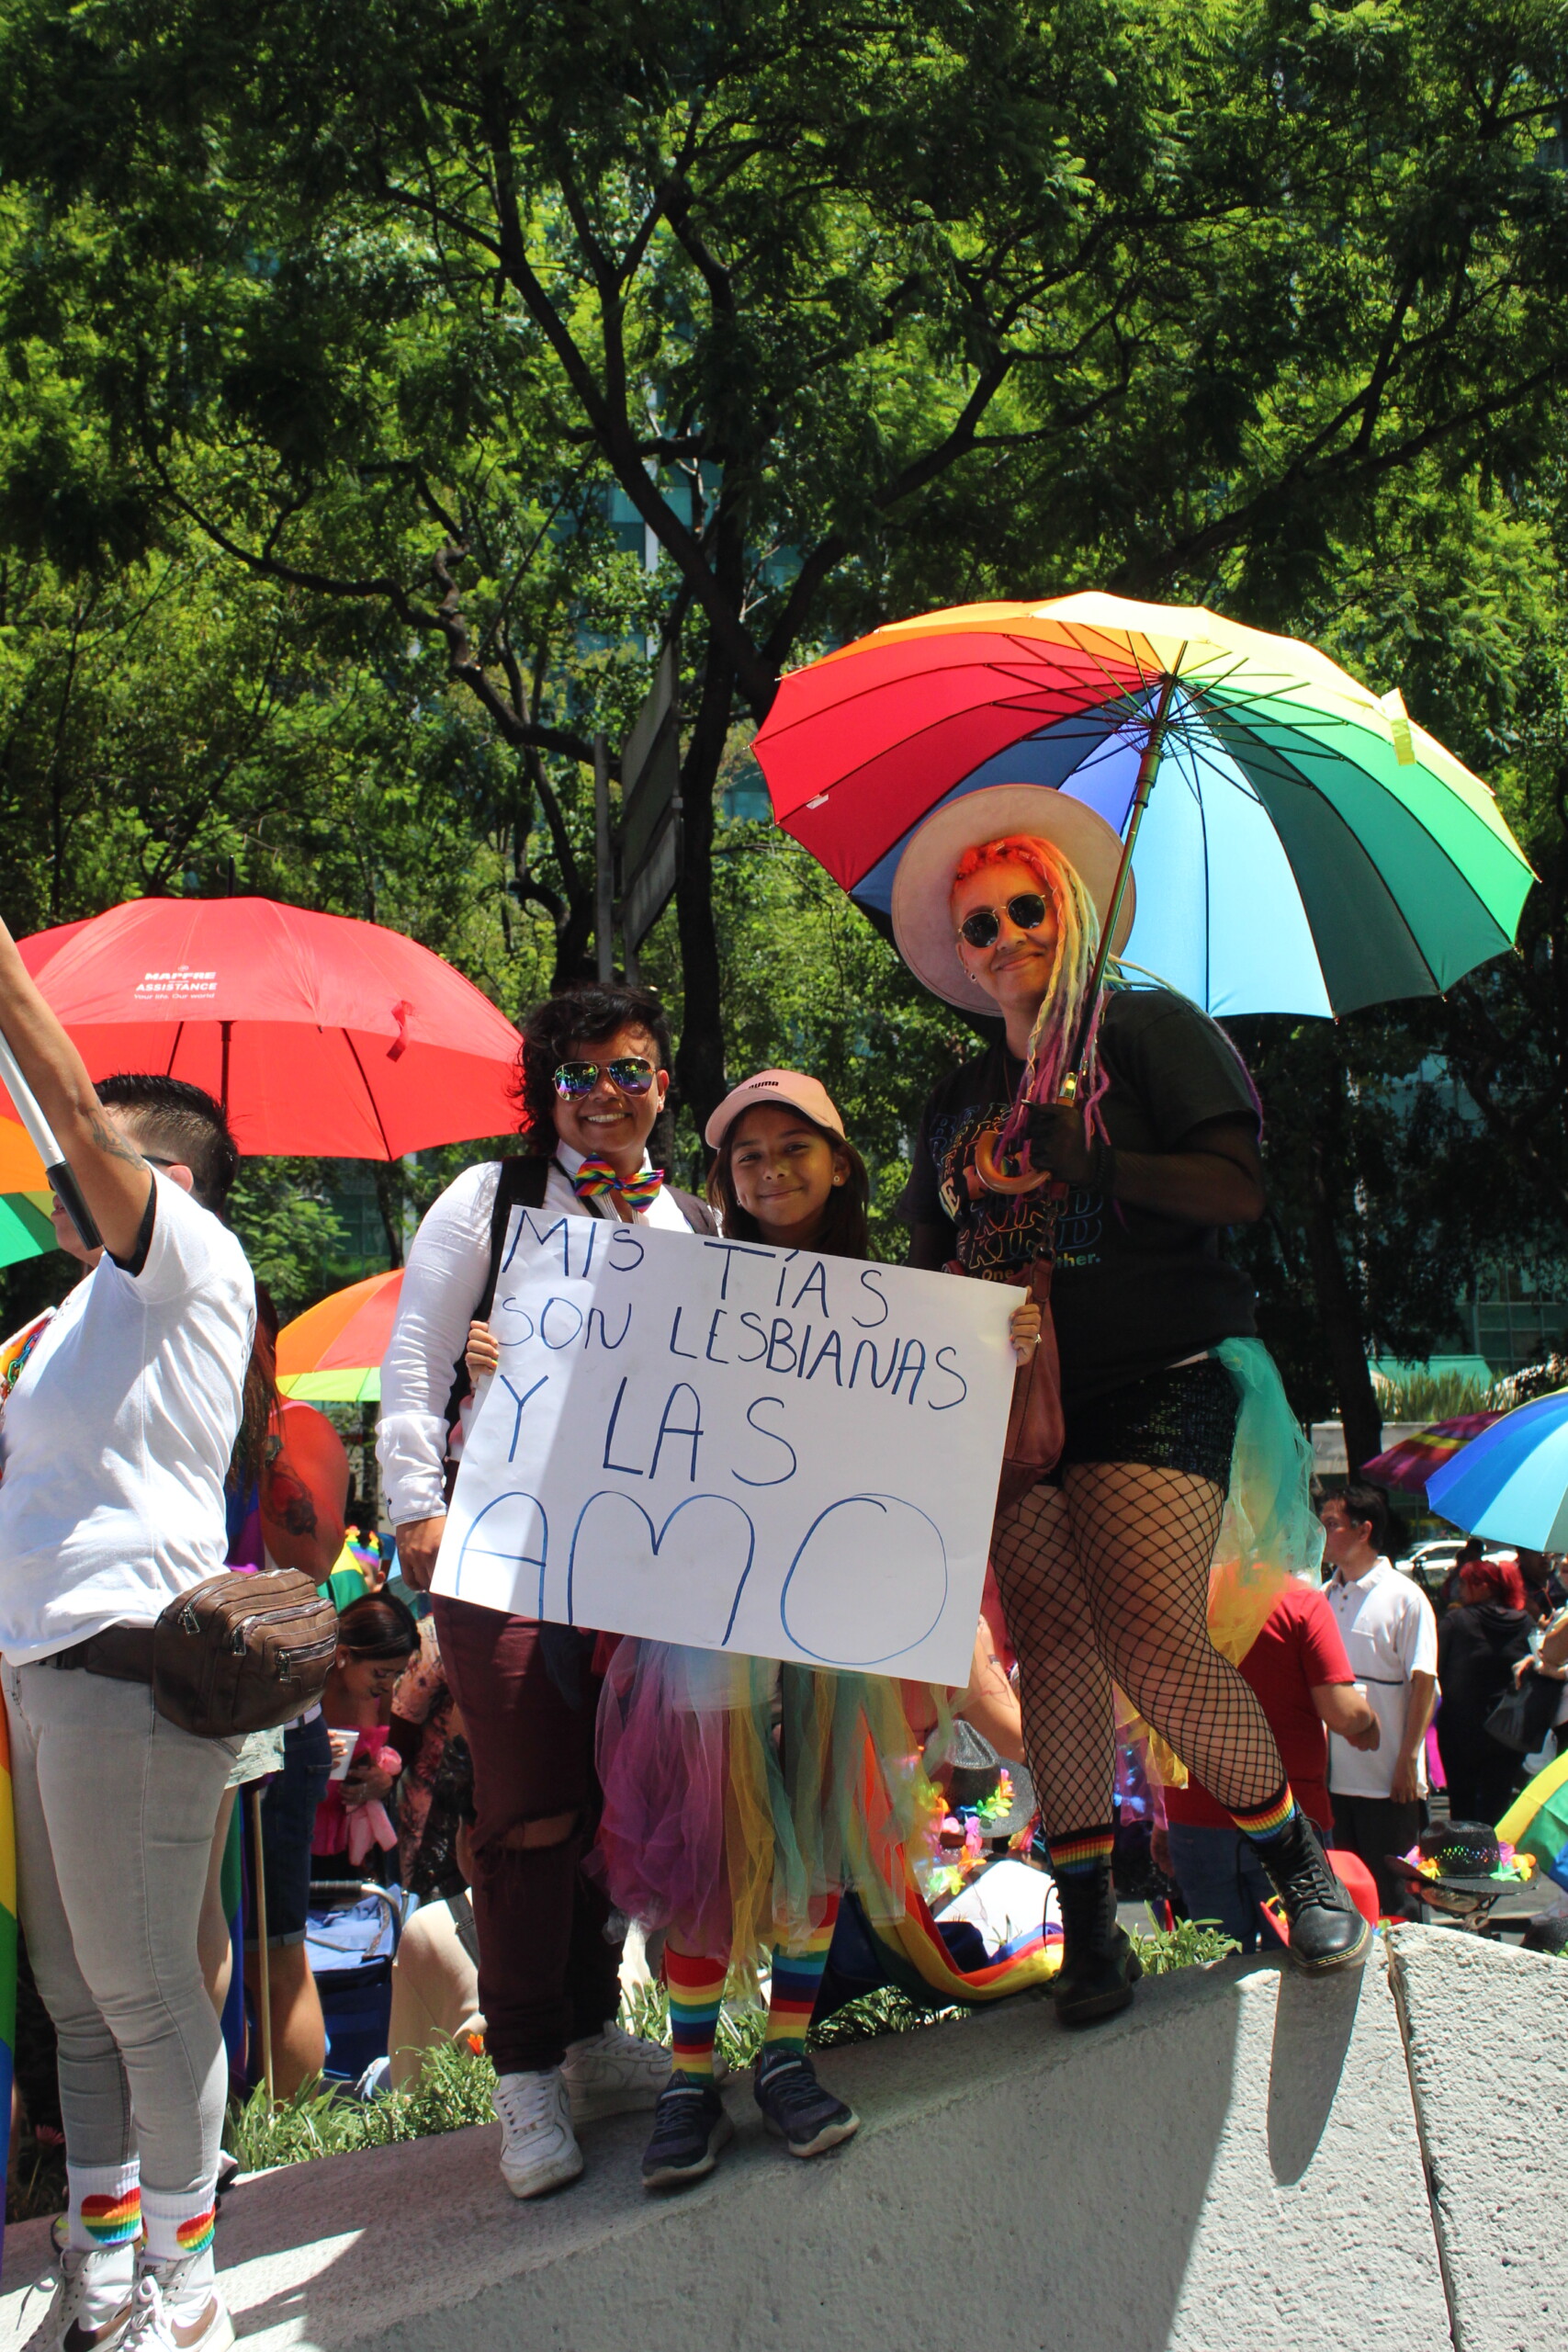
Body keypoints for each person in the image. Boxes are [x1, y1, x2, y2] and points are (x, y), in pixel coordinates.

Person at [897, 784, 1367, 2024]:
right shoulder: (950, 1103)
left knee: (1152, 1634)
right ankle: (1090, 1923)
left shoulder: (1150, 1032)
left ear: (1070, 912)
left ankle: (1293, 1867)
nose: (1004, 940)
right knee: (1050, 1650)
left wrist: (1094, 1162)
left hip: (1154, 1371)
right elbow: (916, 1255)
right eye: (978, 927)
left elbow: (1235, 1191)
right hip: (1007, 1405)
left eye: (1024, 909)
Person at [588, 1069, 1044, 2188]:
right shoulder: (688, 1284)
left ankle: (785, 2054)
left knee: (817, 1829)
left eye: (795, 1146)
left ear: (842, 1161)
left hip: (839, 1624)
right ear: (723, 1179)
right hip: (707, 1615)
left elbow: (938, 1448)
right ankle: (694, 2075)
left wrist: (1000, 1355)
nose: (771, 1169)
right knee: (707, 1841)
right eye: (747, 1155)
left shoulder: (903, 1302)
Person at [378, 981, 716, 2199]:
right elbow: (416, 1356)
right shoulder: (492, 1199)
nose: (605, 1098)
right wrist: (415, 1502)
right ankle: (521, 2075)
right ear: (547, 1095)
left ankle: (585, 2032)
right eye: (577, 1079)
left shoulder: (693, 1222)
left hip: (642, 1560)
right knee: (524, 1811)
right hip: (503, 1546)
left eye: (629, 1071)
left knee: (617, 1795)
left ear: (660, 1083)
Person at [0, 933, 256, 2352]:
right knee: (72, 1998)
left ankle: (189, 2280)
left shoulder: (189, 1265)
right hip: (37, 1675)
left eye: (101, 1151)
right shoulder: (63, 1323)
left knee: (147, 1991)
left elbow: (76, 1116)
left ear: (173, 1181)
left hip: (127, 1668)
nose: (62, 1164)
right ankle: (103, 2261)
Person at [1154, 1580, 1381, 1949]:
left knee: (1219, 1966)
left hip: (1194, 1812)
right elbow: (1342, 1712)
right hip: (1288, 1814)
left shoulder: (1173, 1600)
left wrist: (1161, 1817)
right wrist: (1369, 1723)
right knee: (1303, 1951)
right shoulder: (1299, 1601)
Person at [1321, 1481, 1439, 1918]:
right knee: (1348, 1898)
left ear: (1363, 1530)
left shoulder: (1404, 1597)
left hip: (1389, 1782)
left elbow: (1424, 1681)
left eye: (1332, 1524)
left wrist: (1409, 1759)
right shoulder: (1323, 1597)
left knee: (1398, 1899)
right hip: (1334, 1783)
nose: (1322, 1532)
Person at [313, 1593, 420, 1875]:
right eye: (381, 1673)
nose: (388, 1685)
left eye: (396, 1675)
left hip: (352, 1846)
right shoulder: (310, 1689)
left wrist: (382, 1782)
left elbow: (381, 1760)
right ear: (344, 1655)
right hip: (297, 1837)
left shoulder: (378, 1696)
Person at [1435, 1553, 1533, 1825]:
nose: (1460, 1590)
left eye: (1465, 1584)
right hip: (1506, 1730)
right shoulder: (1524, 1622)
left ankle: (1463, 1863)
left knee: (1462, 1808)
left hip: (1460, 1730)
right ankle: (1497, 1861)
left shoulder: (1457, 1622)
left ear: (1484, 1587)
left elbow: (1435, 1668)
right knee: (1498, 1807)